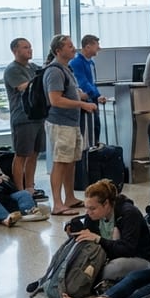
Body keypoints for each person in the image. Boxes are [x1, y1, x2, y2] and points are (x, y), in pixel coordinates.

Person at [43, 34, 97, 214]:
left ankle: (70, 197)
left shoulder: (67, 69)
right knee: (60, 162)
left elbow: (69, 93)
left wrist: (81, 96)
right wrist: (81, 104)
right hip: (60, 123)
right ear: (58, 51)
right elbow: (55, 100)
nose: (74, 48)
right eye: (69, 46)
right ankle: (57, 204)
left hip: (71, 123)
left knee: (71, 161)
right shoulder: (54, 71)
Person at [64, 179, 150, 282]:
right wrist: (77, 235)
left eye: (93, 208)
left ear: (106, 204)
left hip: (138, 257)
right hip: (110, 256)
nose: (89, 212)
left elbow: (127, 249)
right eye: (87, 208)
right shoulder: (92, 216)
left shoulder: (129, 214)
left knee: (111, 269)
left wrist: (99, 239)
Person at [3, 37, 46, 196]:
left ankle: (30, 186)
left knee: (34, 154)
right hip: (23, 118)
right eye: (25, 47)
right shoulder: (12, 70)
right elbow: (23, 87)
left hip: (38, 116)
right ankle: (19, 189)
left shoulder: (33, 67)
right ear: (15, 50)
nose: (30, 50)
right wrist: (39, 79)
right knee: (21, 154)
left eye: (30, 47)